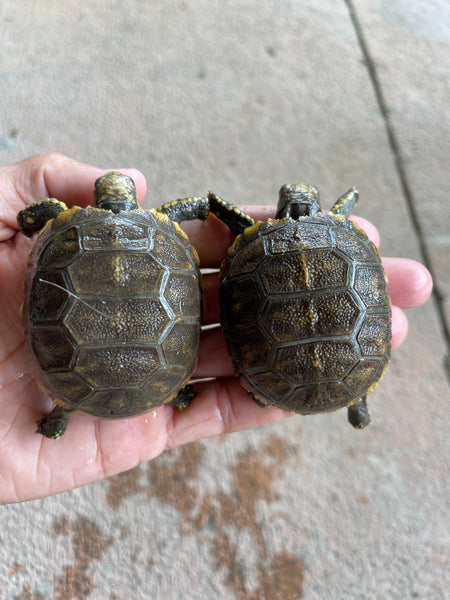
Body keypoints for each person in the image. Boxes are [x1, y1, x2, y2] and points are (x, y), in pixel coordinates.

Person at [0, 153, 433, 504]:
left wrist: (29, 223)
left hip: (78, 378)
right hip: (164, 378)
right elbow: (198, 210)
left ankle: (67, 409)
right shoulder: (339, 228)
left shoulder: (63, 219)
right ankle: (353, 400)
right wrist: (207, 207)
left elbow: (29, 218)